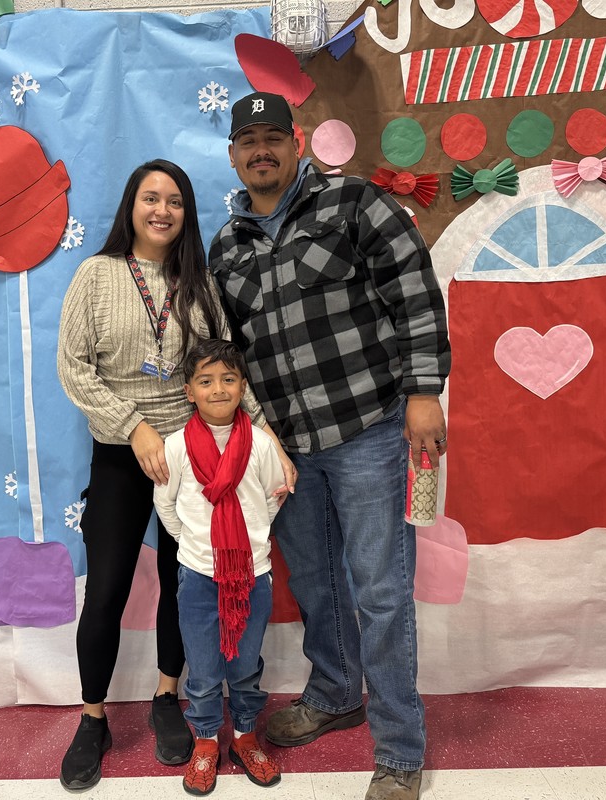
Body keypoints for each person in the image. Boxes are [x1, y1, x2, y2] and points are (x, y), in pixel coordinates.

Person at [209, 93, 451, 800]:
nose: (261, 151)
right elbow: (229, 352)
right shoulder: (228, 245)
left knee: (379, 594)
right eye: (247, 140)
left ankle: (400, 749)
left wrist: (423, 390)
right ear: (232, 154)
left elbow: (414, 293)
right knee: (315, 586)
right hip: (288, 452)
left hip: (370, 434)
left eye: (272, 138)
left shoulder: (353, 204)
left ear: (297, 142)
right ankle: (337, 692)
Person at [57, 159, 295, 793]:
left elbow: (224, 365)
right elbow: (74, 369)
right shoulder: (96, 275)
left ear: (186, 215)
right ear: (131, 207)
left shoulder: (198, 280)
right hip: (124, 453)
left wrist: (264, 431)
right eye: (150, 198)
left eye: (175, 202)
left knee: (182, 581)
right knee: (105, 587)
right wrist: (133, 426)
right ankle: (93, 716)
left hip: (194, 453)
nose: (162, 210)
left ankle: (169, 696)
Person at [153, 338, 283, 796]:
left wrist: (246, 545)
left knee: (246, 665)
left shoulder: (262, 445)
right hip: (197, 578)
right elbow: (165, 507)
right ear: (189, 391)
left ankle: (245, 735)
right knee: (205, 670)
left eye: (229, 379)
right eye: (206, 381)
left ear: (242, 386)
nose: (218, 389)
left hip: (253, 575)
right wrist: (198, 548)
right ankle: (206, 739)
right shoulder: (175, 447)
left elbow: (270, 498)